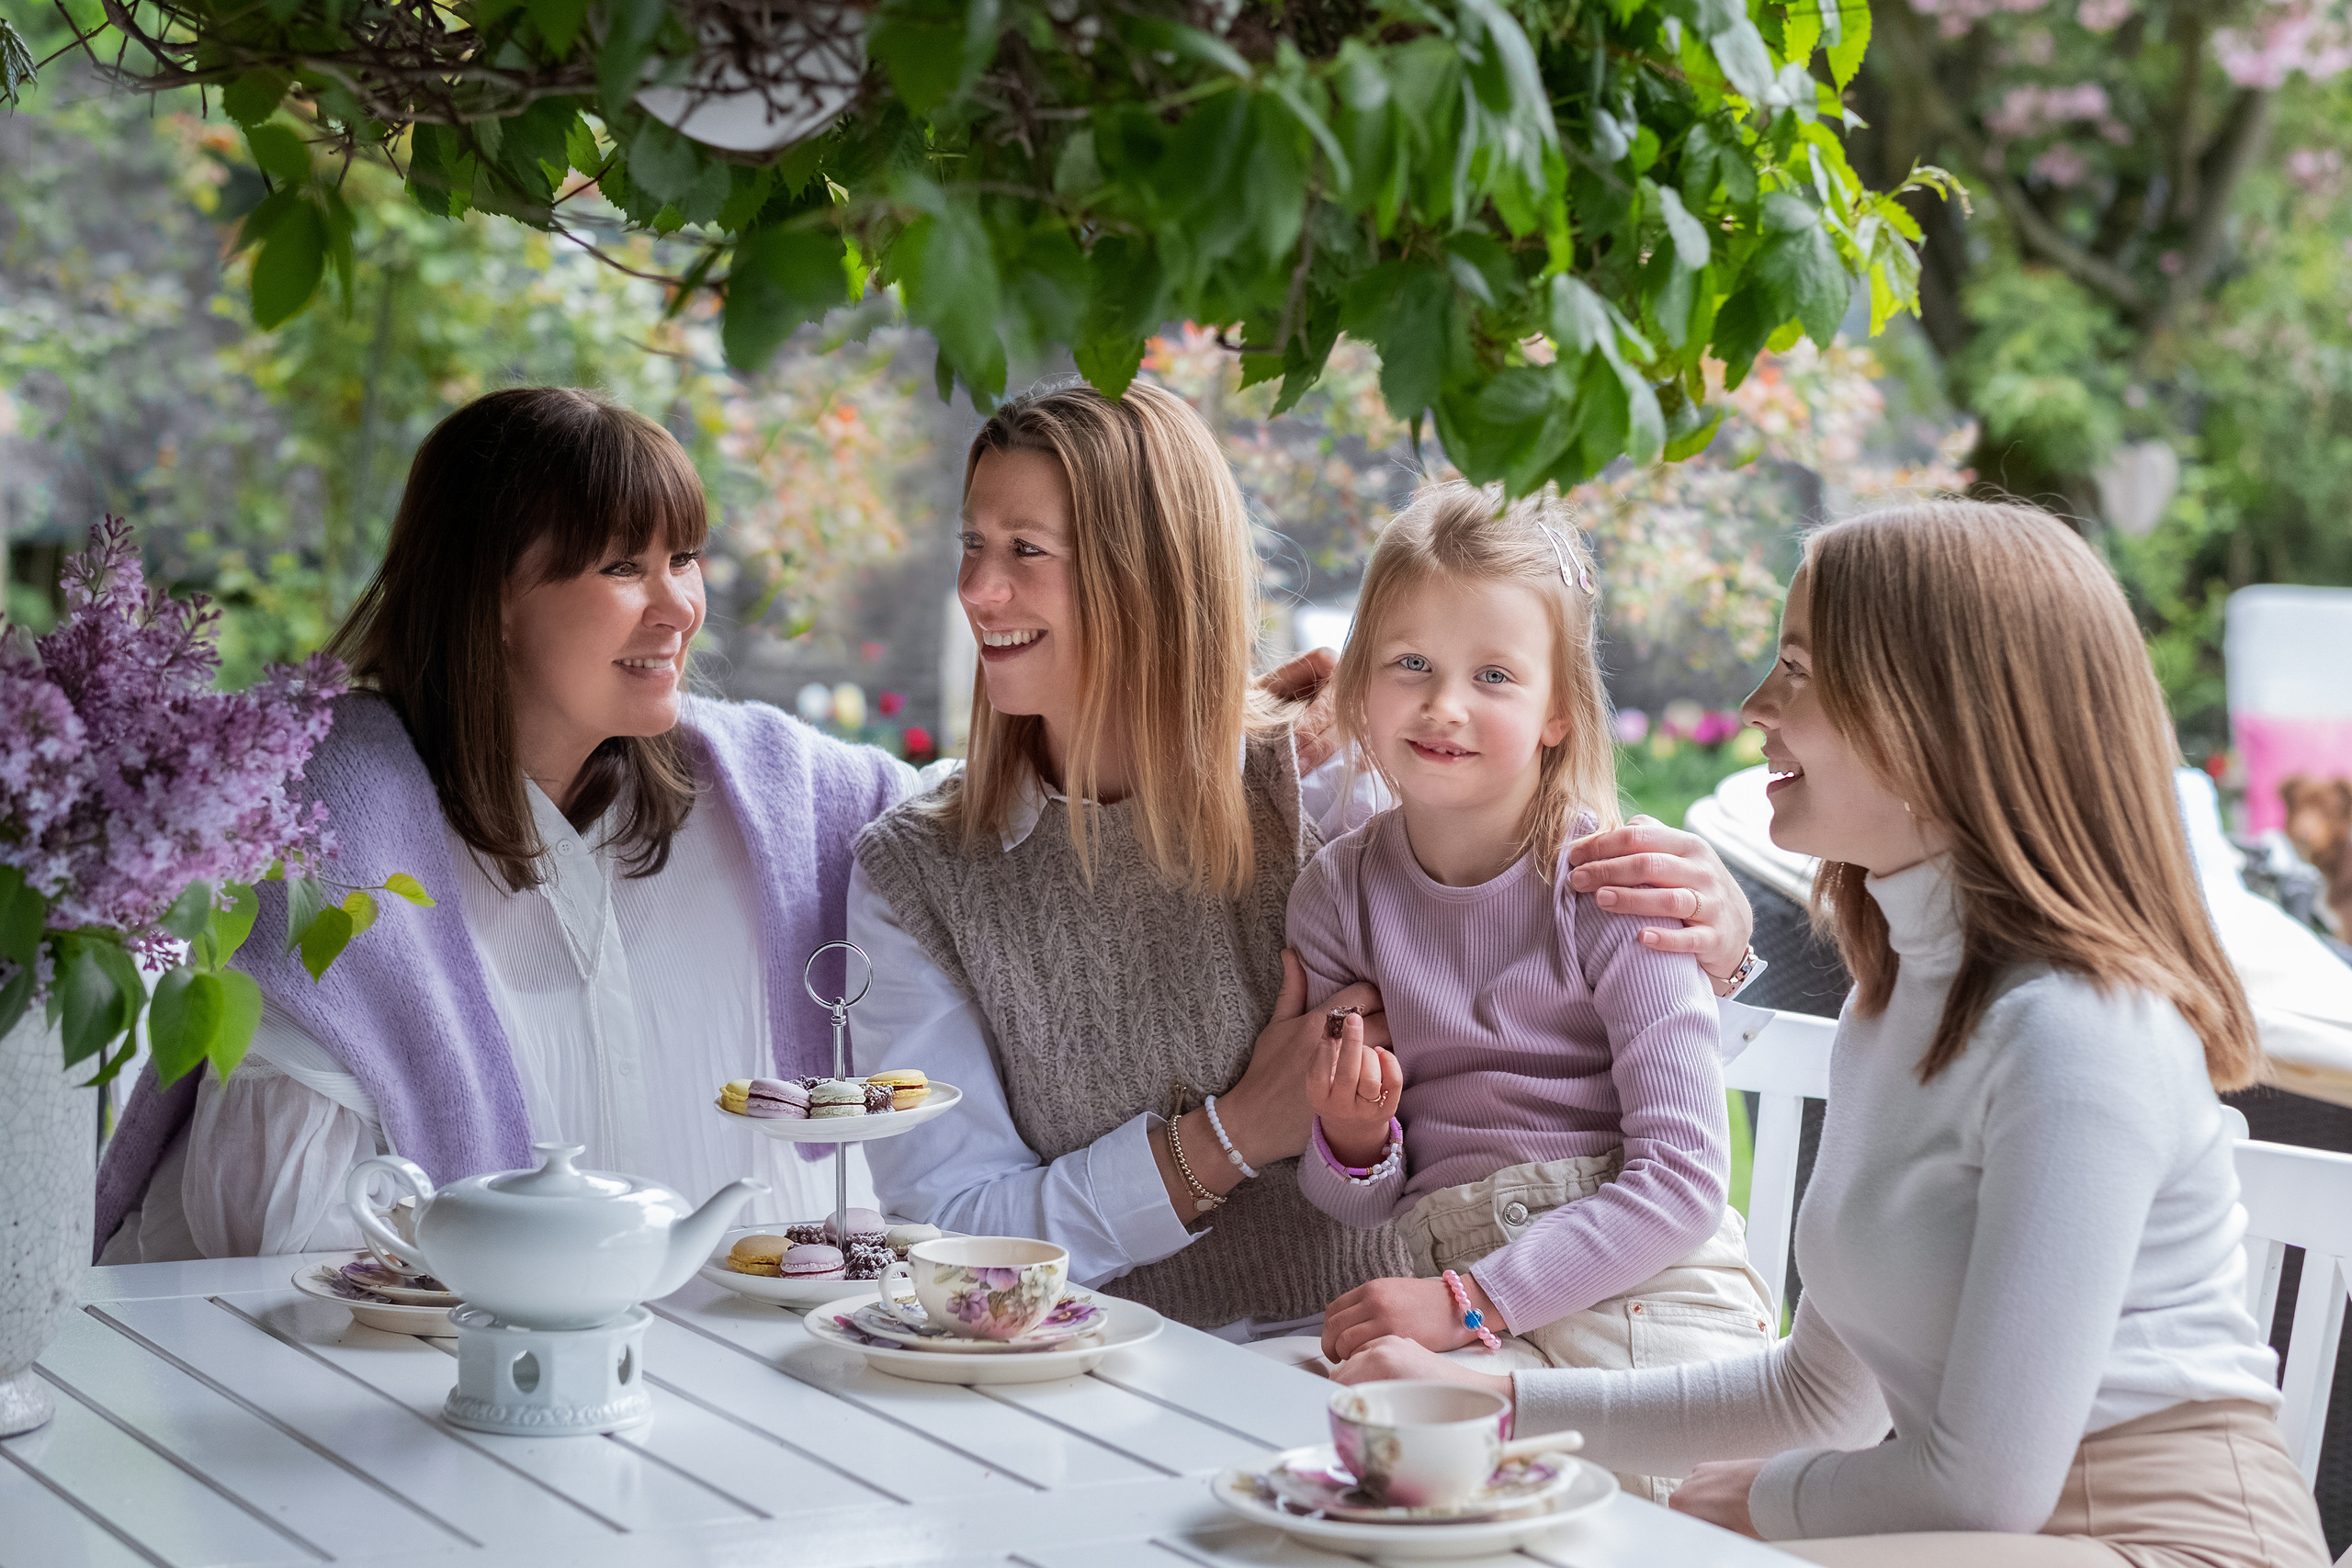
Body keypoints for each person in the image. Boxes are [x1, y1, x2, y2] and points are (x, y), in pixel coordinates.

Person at [1331, 500, 2331, 1566]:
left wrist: (1759, 1505)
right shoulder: (1889, 1007)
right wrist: (1488, 1400)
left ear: (1936, 711)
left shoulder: (2074, 1034)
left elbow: (1981, 1491)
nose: (1759, 704)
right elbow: (1816, 1396)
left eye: (1799, 670)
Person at [850, 380, 1770, 1340]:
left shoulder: (1326, 778)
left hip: (1401, 1335)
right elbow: (945, 1235)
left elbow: (1559, 1009)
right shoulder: (917, 879)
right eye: (972, 546)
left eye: (1024, 553)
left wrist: (1713, 941)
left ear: (1149, 576)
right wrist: (1234, 1134)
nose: (975, 592)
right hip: (1117, 1367)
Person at [94, 387, 909, 1260]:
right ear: (493, 595)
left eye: (686, 558)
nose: (679, 606)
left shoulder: (770, 802)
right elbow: (295, 1260)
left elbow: (977, 825)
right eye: (623, 567)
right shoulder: (338, 843)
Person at [1292, 482, 1770, 1502]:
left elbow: (1684, 1185)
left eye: (1493, 675)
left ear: (1558, 711)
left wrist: (1469, 1300)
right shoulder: (1335, 892)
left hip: (1647, 1303)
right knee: (1304, 1455)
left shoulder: (1610, 887)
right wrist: (1350, 1136)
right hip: (1465, 1305)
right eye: (1409, 663)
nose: (1442, 704)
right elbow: (1348, 1199)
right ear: (1359, 685)